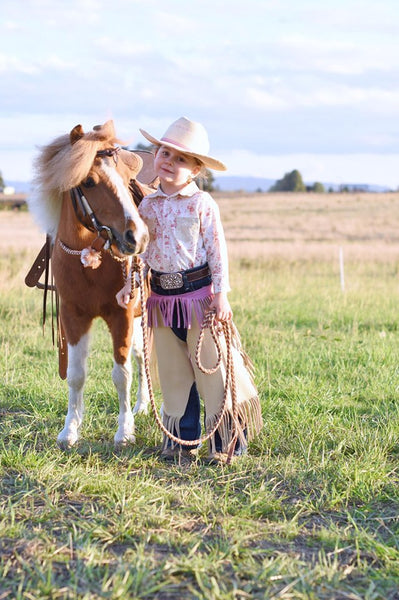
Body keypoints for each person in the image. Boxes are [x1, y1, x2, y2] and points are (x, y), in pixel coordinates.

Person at [116, 117, 263, 463]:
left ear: (195, 170)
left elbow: (217, 251)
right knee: (173, 374)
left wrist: (221, 295)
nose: (168, 161)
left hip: (199, 298)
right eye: (165, 153)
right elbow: (141, 254)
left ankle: (227, 443)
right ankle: (182, 442)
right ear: (155, 155)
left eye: (180, 158)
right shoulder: (148, 206)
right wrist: (130, 284)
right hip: (162, 302)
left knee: (212, 372)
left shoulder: (202, 205)